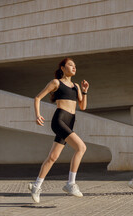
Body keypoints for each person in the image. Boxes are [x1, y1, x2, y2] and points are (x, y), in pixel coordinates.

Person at [28, 58, 89, 203]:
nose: (74, 67)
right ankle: (71, 183)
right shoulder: (56, 82)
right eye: (70, 65)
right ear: (62, 68)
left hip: (70, 121)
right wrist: (37, 115)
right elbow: (37, 98)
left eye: (75, 65)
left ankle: (36, 186)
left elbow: (83, 106)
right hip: (60, 120)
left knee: (53, 157)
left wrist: (85, 91)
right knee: (81, 147)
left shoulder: (76, 86)